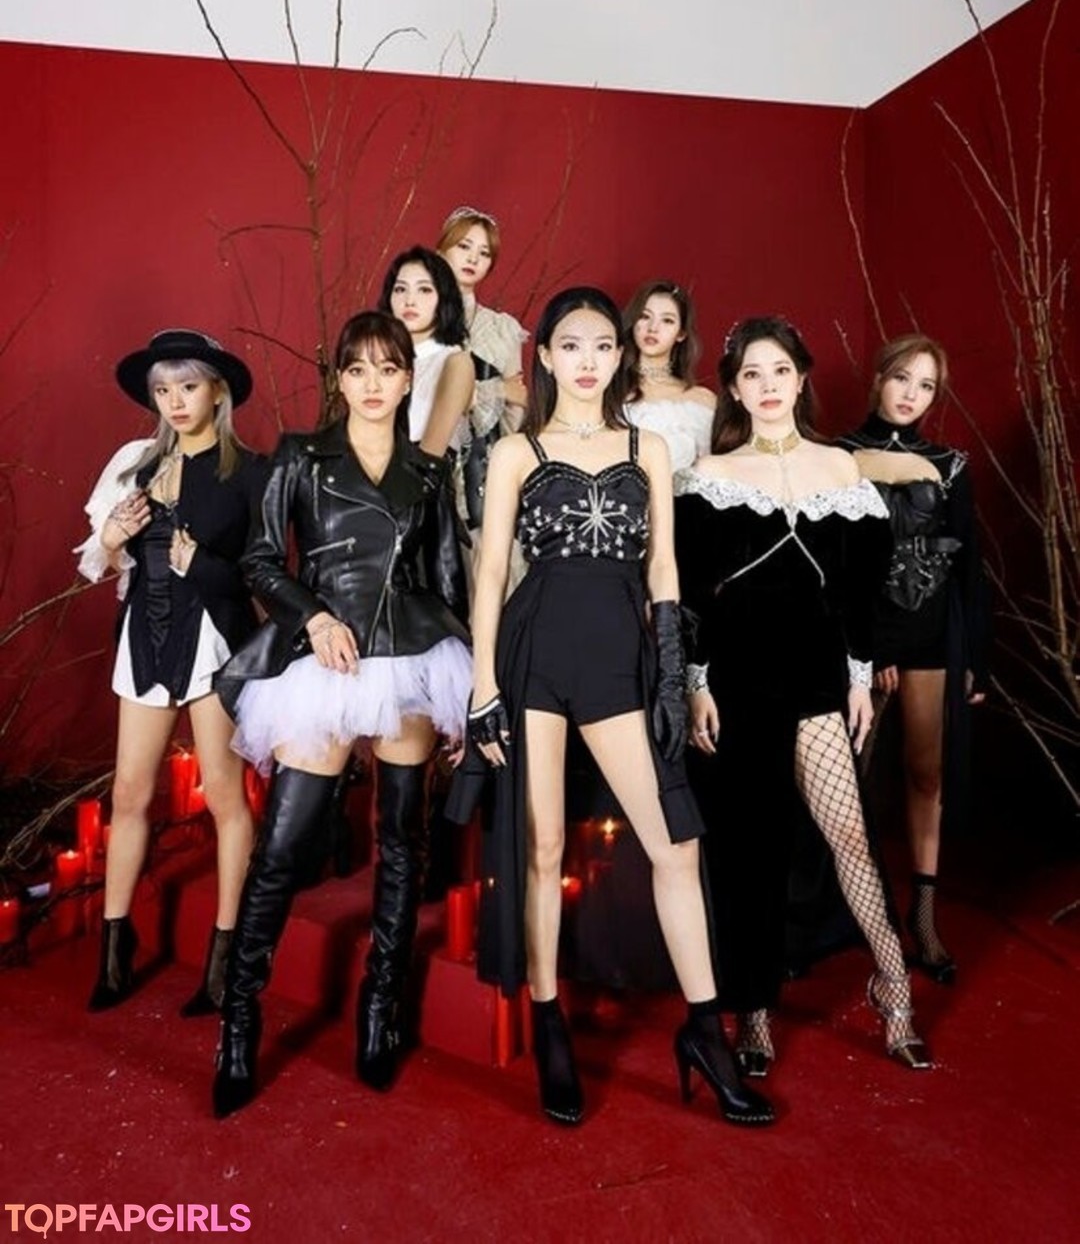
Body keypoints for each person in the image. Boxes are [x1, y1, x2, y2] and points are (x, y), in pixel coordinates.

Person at [446, 286, 773, 1129]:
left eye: (601, 345)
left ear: (619, 355)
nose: (587, 361)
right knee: (543, 845)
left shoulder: (646, 448)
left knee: (675, 846)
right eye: (570, 346)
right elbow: (491, 573)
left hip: (620, 659)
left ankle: (705, 1033)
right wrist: (482, 685)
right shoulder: (516, 452)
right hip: (532, 655)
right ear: (546, 358)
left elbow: (664, 568)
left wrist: (671, 678)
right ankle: (549, 1023)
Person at [211, 311, 472, 1118]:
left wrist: (468, 697)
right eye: (356, 370)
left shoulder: (429, 473)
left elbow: (449, 583)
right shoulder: (301, 455)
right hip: (325, 659)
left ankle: (380, 1007)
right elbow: (259, 560)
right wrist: (314, 616)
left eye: (387, 369)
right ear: (339, 381)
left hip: (410, 657)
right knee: (281, 848)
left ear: (408, 378)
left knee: (402, 843)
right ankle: (239, 1018)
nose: (371, 384)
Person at [675, 316, 933, 1079]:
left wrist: (858, 676)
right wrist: (695, 684)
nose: (767, 386)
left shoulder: (841, 469)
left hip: (817, 677)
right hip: (737, 681)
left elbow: (858, 593)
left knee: (849, 835)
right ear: (733, 388)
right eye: (751, 374)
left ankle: (894, 986)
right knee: (752, 851)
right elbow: (693, 598)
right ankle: (754, 1010)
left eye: (779, 371)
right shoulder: (709, 476)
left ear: (800, 379)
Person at [75, 329, 265, 1017]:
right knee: (129, 792)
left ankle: (224, 960)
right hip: (146, 637)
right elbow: (97, 560)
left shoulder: (250, 471)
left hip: (214, 638)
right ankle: (114, 952)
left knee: (224, 796)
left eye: (188, 386)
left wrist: (202, 564)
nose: (175, 401)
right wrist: (111, 538)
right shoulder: (134, 463)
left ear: (217, 390)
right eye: (163, 390)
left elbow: (263, 574)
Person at [838, 335, 989, 984]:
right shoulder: (839, 455)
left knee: (927, 773)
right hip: (865, 638)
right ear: (878, 379)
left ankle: (924, 919)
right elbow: (836, 565)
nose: (911, 394)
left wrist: (975, 655)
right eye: (902, 378)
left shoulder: (950, 464)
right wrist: (868, 649)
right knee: (852, 782)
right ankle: (855, 918)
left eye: (926, 385)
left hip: (931, 634)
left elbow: (968, 564)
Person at [435, 205, 528, 536]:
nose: (473, 258)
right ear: (441, 250)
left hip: (483, 468)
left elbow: (516, 410)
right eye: (464, 246)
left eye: (484, 253)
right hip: (426, 460)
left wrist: (510, 471)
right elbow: (421, 394)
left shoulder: (503, 329)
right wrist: (496, 389)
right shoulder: (415, 319)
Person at [377, 245, 475, 457]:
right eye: (400, 289)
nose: (409, 301)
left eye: (424, 290)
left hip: (421, 472)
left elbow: (431, 456)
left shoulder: (455, 362)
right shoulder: (377, 359)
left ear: (444, 298)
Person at [622, 279, 715, 473]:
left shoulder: (702, 400)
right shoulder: (608, 390)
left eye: (667, 320)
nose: (653, 328)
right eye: (644, 316)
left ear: (681, 333)